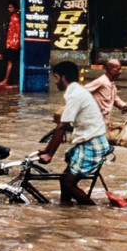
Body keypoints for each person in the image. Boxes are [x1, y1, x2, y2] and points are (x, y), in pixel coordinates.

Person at [38, 61, 110, 206]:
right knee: (64, 179)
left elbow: (61, 127)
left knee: (69, 184)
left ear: (63, 77)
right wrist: (47, 149)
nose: (55, 81)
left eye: (56, 78)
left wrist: (49, 154)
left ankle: (92, 211)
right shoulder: (75, 91)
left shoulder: (75, 95)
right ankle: (65, 211)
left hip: (92, 144)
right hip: (88, 141)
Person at [0, 1, 21, 86]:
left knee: (8, 61)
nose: (9, 9)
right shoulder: (13, 17)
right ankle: (6, 80)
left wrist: (16, 43)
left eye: (11, 7)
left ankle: (6, 80)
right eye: (9, 7)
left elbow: (18, 31)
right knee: (6, 60)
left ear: (15, 8)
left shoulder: (15, 18)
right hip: (10, 43)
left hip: (13, 44)